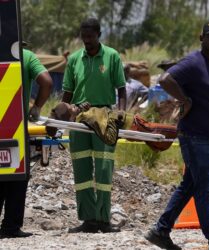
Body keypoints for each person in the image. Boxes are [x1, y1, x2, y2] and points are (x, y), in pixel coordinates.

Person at [144, 21, 209, 250]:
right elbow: (164, 79)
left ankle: (160, 231)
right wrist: (185, 99)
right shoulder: (193, 61)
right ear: (202, 38)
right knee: (203, 188)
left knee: (189, 186)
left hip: (208, 138)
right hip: (195, 136)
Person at [61, 17, 126, 233]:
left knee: (104, 168)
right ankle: (88, 219)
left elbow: (121, 89)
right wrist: (63, 112)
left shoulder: (112, 56)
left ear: (99, 35)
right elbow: (68, 92)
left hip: (105, 115)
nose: (87, 40)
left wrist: (120, 112)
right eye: (84, 36)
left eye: (90, 36)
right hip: (79, 116)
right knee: (81, 168)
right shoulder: (73, 59)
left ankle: (103, 219)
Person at [0, 48, 53, 238]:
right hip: (15, 125)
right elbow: (46, 82)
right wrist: (36, 107)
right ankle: (10, 227)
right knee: (16, 173)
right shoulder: (26, 56)